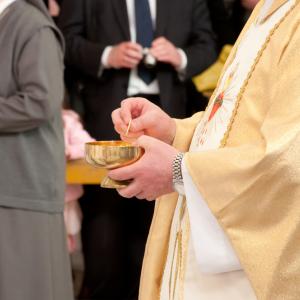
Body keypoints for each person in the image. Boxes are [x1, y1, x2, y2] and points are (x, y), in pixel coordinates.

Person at [110, 0, 300, 299]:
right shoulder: (266, 14)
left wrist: (178, 170)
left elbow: (288, 158)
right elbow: (237, 121)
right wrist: (175, 131)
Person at [58, 1, 216, 299]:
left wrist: (180, 57)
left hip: (171, 125)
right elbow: (65, 41)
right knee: (104, 248)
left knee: (156, 244)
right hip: (107, 124)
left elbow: (208, 43)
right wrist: (106, 55)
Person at [0, 0, 74, 299]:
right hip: (9, 183)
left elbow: (40, 100)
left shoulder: (31, 25)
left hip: (24, 185)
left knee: (27, 286)